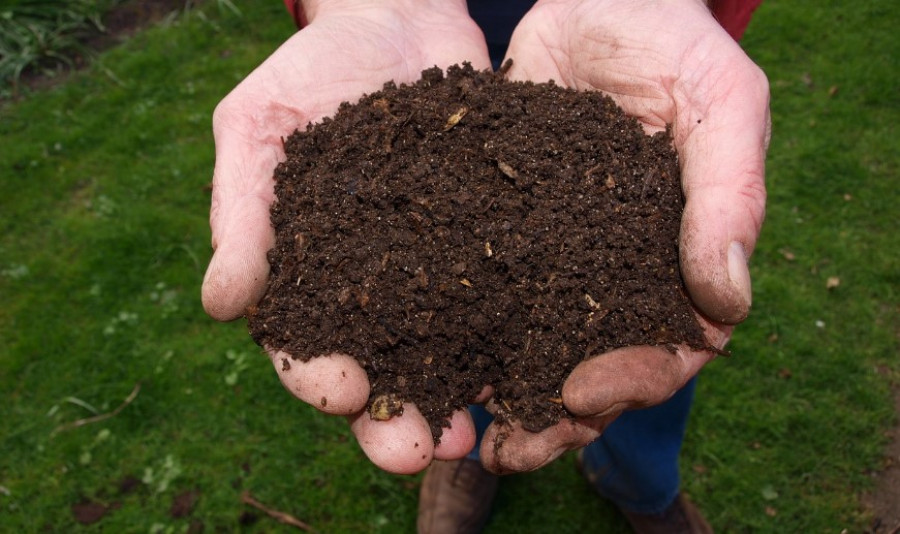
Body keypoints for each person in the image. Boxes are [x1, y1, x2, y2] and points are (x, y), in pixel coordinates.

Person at [202, 0, 769, 532]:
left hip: (604, 33)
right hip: (427, 19)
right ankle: (463, 448)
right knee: (461, 394)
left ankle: (641, 485)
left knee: (644, 356)